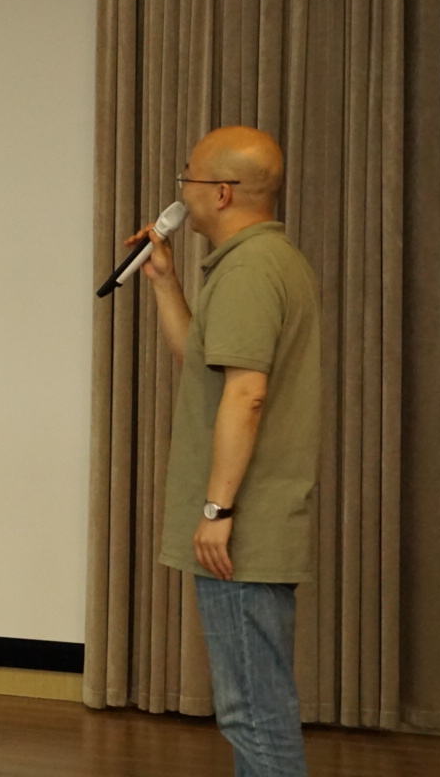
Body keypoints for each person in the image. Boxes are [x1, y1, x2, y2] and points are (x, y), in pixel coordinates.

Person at [129, 126, 321, 777]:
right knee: (253, 709)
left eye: (187, 177)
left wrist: (217, 509)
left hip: (242, 527)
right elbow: (203, 360)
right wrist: (164, 281)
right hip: (246, 520)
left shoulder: (248, 271)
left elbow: (247, 394)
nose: (180, 190)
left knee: (252, 714)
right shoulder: (264, 262)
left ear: (221, 192)